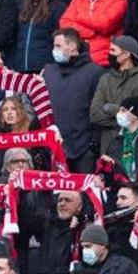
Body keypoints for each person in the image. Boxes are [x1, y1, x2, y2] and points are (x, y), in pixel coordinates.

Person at [42, 28, 105, 172]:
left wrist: (93, 145)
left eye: (58, 46)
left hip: (83, 151)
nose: (54, 50)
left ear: (72, 46)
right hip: (52, 148)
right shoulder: (49, 72)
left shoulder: (95, 72)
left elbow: (98, 110)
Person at [60, 0, 129, 66]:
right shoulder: (77, 0)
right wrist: (91, 32)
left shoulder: (118, 0)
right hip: (78, 60)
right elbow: (64, 24)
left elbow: (105, 24)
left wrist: (79, 17)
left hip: (104, 62)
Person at [90, 35, 138, 153]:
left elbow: (137, 116)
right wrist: (122, 117)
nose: (109, 54)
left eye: (113, 50)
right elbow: (94, 115)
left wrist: (109, 108)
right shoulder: (105, 78)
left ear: (127, 54)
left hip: (133, 145)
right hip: (107, 145)